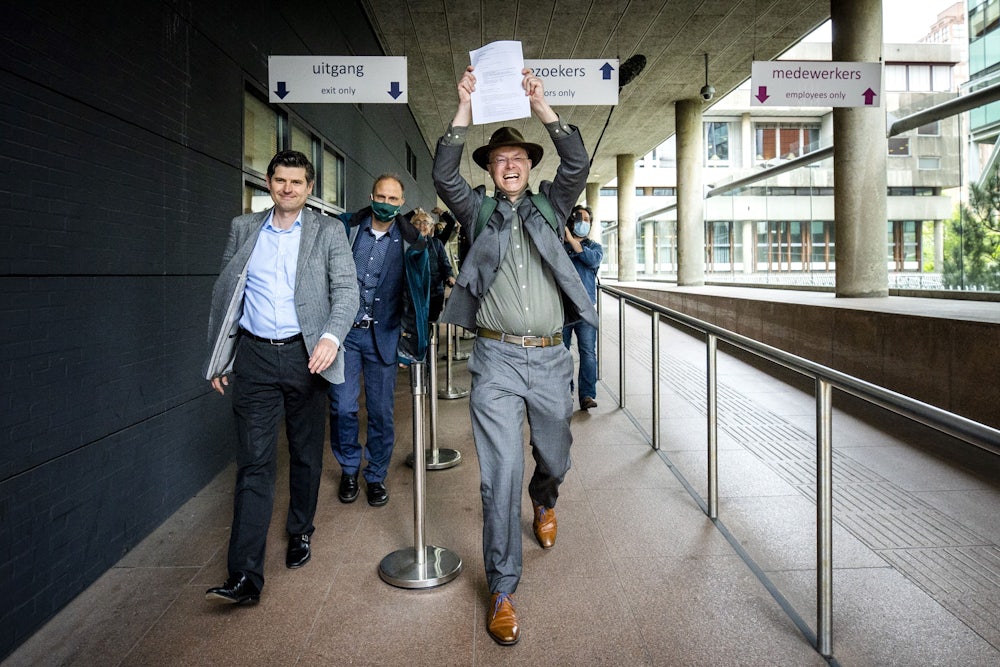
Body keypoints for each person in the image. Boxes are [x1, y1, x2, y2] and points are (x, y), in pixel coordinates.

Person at [432, 65, 597, 646]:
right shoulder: (477, 215)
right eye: (499, 159)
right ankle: (503, 588)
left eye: (518, 158)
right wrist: (462, 107)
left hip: (552, 359)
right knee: (497, 475)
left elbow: (576, 162)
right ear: (491, 168)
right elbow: (442, 172)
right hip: (496, 362)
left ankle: (544, 497)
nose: (509, 165)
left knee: (556, 454)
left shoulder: (552, 204)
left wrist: (543, 107)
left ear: (530, 164)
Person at [202, 149, 358, 605]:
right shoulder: (244, 228)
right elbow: (228, 293)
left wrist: (331, 337)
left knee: (306, 453)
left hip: (305, 356)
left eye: (297, 182)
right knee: (253, 461)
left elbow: (346, 290)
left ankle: (300, 530)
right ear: (268, 183)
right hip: (253, 358)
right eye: (279, 180)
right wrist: (220, 356)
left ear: (310, 188)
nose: (287, 189)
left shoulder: (328, 231)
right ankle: (245, 575)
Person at [329, 174, 429, 507]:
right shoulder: (347, 229)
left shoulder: (410, 242)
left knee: (381, 412)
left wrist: (411, 334)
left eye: (392, 199)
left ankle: (375, 476)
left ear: (402, 203)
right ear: (372, 196)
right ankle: (348, 469)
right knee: (343, 407)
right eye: (381, 197)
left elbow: (419, 291)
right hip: (346, 335)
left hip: (383, 334)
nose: (385, 204)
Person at [562, 204, 603, 410]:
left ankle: (587, 394)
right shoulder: (561, 248)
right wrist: (567, 241)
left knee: (588, 353)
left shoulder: (594, 247)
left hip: (586, 309)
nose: (583, 223)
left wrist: (572, 241)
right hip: (563, 309)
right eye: (580, 219)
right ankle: (565, 392)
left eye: (587, 220)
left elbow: (591, 260)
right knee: (562, 353)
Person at [412, 207, 456, 323]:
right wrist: (414, 212)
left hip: (434, 291)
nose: (422, 225)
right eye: (418, 222)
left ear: (431, 227)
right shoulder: (408, 241)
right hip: (413, 292)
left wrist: (449, 276)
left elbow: (444, 263)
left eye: (425, 222)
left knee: (431, 322)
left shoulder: (437, 243)